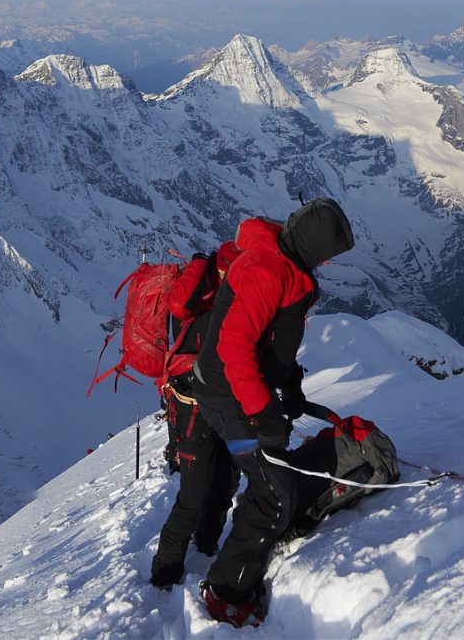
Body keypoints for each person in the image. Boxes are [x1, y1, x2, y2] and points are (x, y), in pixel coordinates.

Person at [175, 197, 354, 626]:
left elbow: (270, 340)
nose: (327, 264)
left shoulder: (283, 264)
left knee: (268, 475)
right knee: (274, 492)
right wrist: (262, 415)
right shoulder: (266, 272)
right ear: (310, 246)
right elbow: (235, 349)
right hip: (228, 397)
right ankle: (225, 590)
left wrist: (288, 384)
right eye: (326, 254)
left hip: (237, 393)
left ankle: (236, 543)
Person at [148, 239, 240, 590]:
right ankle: (165, 572)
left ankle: (200, 548)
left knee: (212, 486)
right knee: (200, 493)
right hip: (200, 411)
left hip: (203, 409)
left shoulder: (198, 301)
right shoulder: (213, 308)